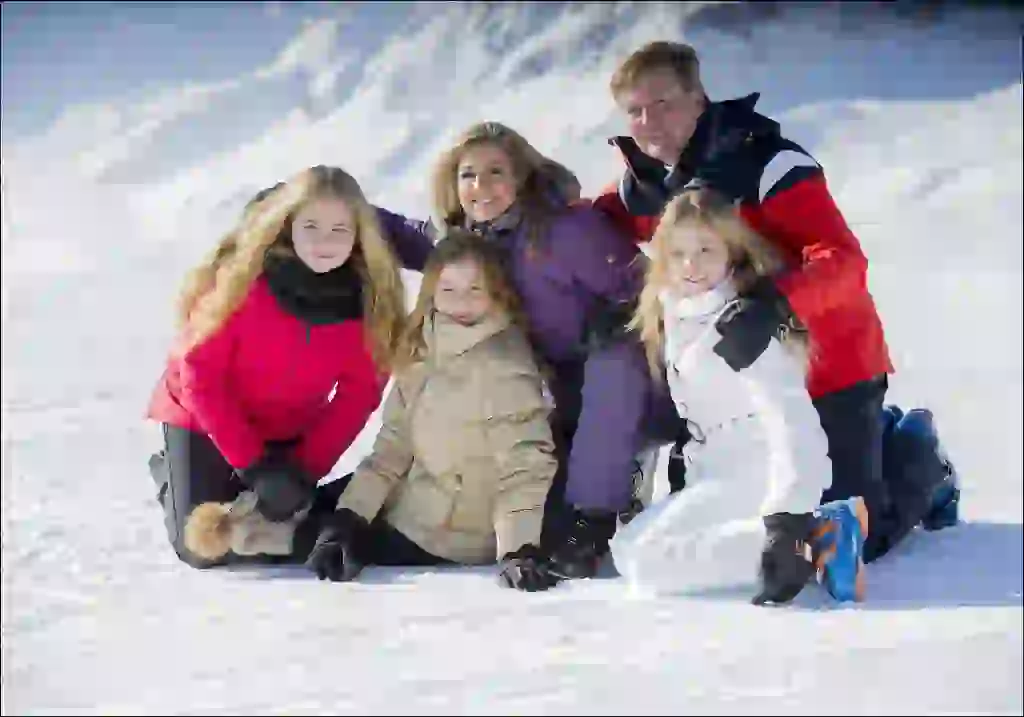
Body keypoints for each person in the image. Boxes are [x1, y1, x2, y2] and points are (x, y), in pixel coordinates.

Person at [589, 41, 959, 564]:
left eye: (664, 104)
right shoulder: (641, 186)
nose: (649, 122)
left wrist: (776, 304)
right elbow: (577, 227)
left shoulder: (768, 163)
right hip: (731, 391)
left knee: (850, 533)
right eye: (635, 110)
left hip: (828, 368)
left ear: (698, 99)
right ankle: (875, 437)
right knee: (737, 526)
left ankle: (918, 452)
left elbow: (842, 259)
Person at [370, 121, 688, 579]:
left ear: (521, 176)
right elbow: (397, 233)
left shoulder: (568, 230)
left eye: (496, 172)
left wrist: (621, 315)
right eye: (468, 175)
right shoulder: (463, 242)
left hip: (636, 390)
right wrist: (311, 203)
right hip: (557, 404)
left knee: (613, 356)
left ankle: (593, 519)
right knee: (540, 520)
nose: (481, 187)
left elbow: (651, 289)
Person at [145, 165, 408, 568]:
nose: (325, 241)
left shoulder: (366, 305)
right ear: (288, 227)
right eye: (311, 227)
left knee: (277, 531)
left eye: (340, 230)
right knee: (202, 549)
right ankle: (173, 473)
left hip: (287, 426)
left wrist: (305, 470)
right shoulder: (244, 284)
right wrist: (255, 466)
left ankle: (247, 485)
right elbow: (201, 379)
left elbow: (359, 396)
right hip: (203, 417)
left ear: (359, 236)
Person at [620, 188, 868, 605]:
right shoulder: (677, 313)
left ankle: (817, 537)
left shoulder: (743, 322)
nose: (691, 264)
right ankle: (806, 537)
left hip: (757, 470)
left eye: (705, 249)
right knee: (628, 549)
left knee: (650, 564)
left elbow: (792, 419)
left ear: (732, 252)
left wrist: (786, 516)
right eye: (678, 253)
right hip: (714, 472)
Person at [303, 232, 561, 591]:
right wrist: (351, 519)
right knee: (312, 510)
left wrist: (519, 550)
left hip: (450, 534)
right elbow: (393, 446)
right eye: (449, 290)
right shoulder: (424, 345)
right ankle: (223, 528)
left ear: (497, 293)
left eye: (475, 290)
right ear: (432, 293)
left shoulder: (505, 365)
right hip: (417, 504)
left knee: (294, 534)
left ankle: (233, 537)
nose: (461, 303)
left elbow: (524, 465)